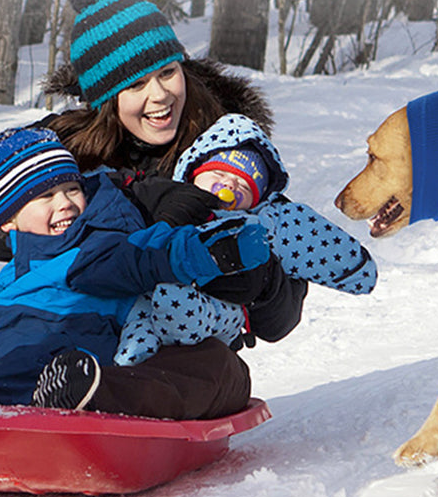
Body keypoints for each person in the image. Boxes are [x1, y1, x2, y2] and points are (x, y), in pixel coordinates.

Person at [0, 0, 307, 394]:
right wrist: (73, 215)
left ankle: (88, 393)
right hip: (59, 321)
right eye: (137, 84)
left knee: (219, 371)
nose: (160, 96)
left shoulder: (228, 155)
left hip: (161, 345)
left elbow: (281, 317)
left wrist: (260, 278)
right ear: (106, 99)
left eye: (168, 72)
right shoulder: (69, 147)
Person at [0, 127, 269, 416]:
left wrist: (212, 252)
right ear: (7, 221)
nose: (65, 204)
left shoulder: (95, 247)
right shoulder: (15, 269)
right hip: (4, 357)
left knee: (215, 366)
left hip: (69, 357)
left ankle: (77, 394)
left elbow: (148, 256)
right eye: (46, 196)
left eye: (73, 190)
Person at [116, 114, 378, 363]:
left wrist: (267, 280)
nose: (228, 186)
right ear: (193, 171)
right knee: (135, 341)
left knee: (188, 323)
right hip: (143, 304)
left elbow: (315, 240)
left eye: (243, 186)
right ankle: (119, 380)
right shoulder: (163, 194)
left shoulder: (265, 225)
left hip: (212, 317)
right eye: (218, 174)